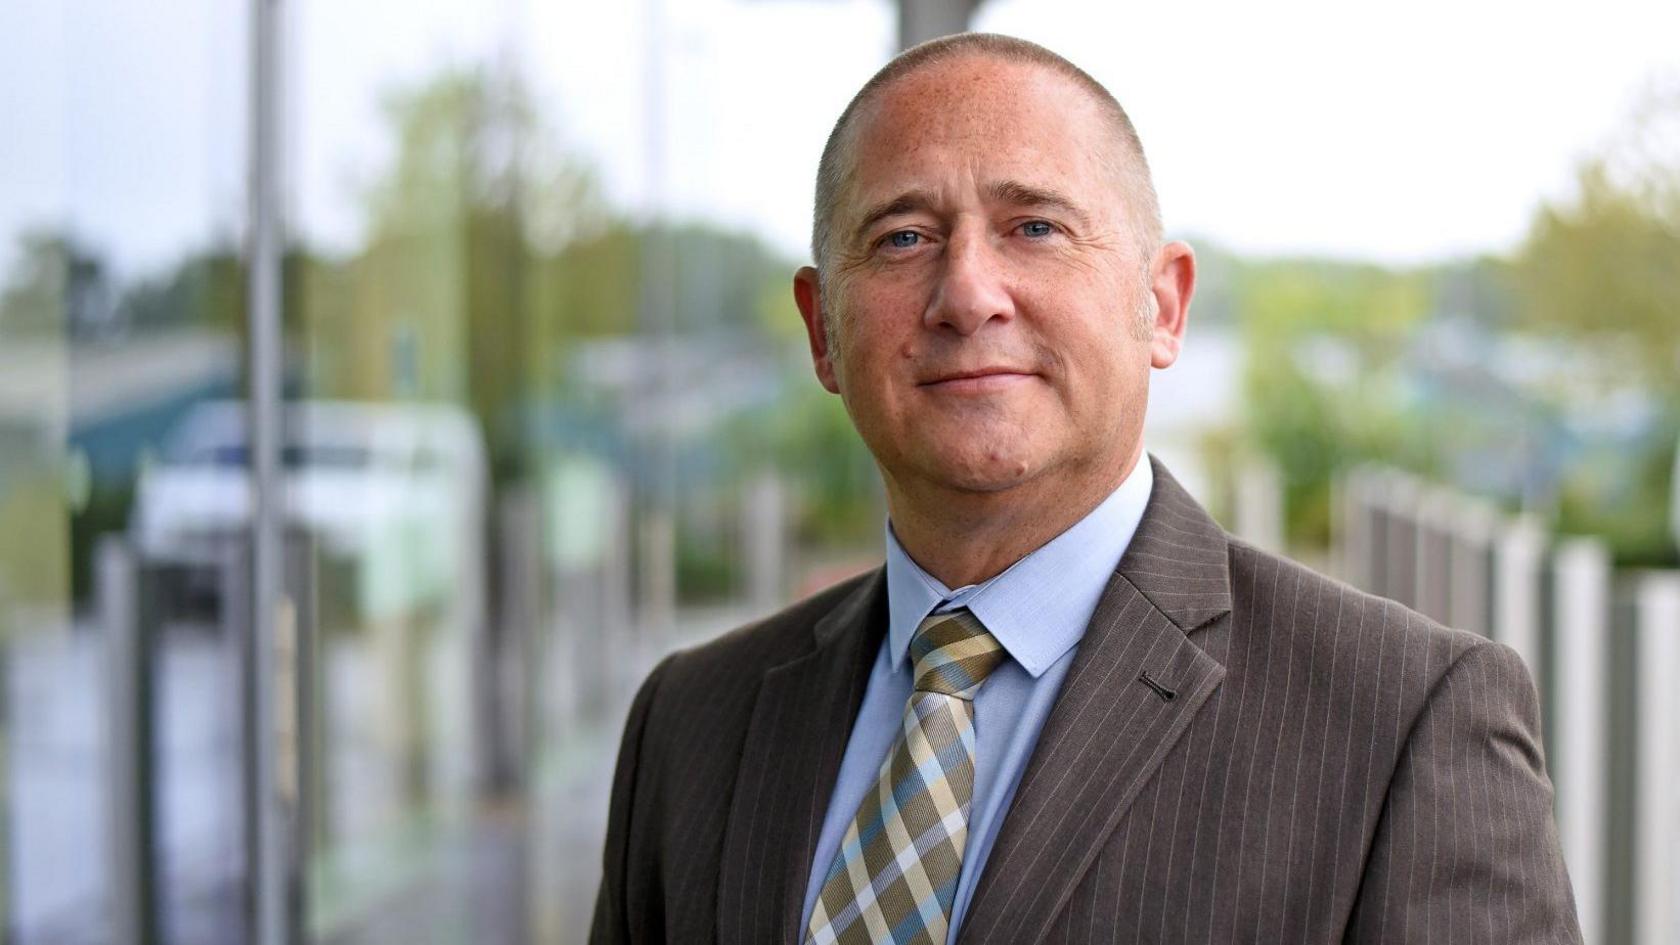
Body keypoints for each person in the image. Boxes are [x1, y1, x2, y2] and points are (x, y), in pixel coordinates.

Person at [589, 32, 1580, 945]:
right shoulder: (689, 723)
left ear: (1161, 304)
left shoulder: (1405, 722)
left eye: (1034, 226)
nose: (969, 293)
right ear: (821, 332)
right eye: (902, 237)